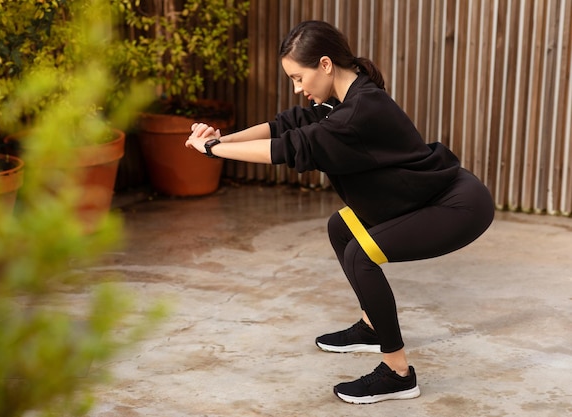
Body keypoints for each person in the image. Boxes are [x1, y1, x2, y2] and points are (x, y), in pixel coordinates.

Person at [185, 20, 494, 405]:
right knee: (342, 227)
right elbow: (288, 125)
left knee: (361, 254)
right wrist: (221, 139)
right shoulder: (342, 98)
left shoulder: (359, 111)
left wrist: (213, 152)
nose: (298, 89)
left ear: (326, 65)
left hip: (457, 206)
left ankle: (398, 373)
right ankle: (372, 326)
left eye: (299, 78)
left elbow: (288, 149)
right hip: (422, 195)